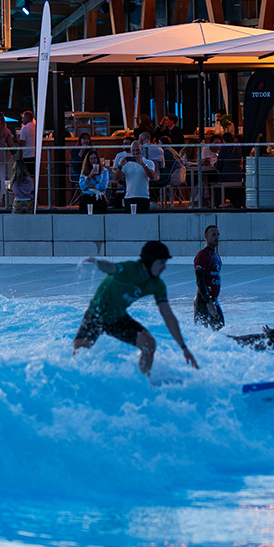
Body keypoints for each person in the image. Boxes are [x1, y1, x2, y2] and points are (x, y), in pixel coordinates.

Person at [72, 241, 199, 375]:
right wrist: (97, 262)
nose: (164, 267)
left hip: (117, 318)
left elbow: (168, 316)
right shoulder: (130, 269)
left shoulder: (157, 285)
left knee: (149, 344)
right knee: (80, 352)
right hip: (96, 314)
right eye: (161, 262)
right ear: (150, 261)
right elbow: (110, 268)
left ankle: (143, 381)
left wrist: (184, 348)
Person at [193, 224, 224, 329]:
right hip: (204, 301)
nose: (216, 237)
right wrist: (208, 301)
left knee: (220, 328)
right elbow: (200, 280)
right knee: (204, 332)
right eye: (213, 234)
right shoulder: (202, 255)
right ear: (206, 236)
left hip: (214, 300)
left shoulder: (216, 256)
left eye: (217, 235)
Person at [118, 141, 156, 213]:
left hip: (143, 197)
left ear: (141, 149)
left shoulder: (148, 162)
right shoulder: (127, 164)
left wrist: (143, 165)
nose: (136, 152)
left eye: (137, 150)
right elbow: (117, 178)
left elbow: (152, 176)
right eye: (133, 150)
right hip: (129, 197)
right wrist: (120, 166)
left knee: (143, 220)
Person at [212, 132, 244, 207]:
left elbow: (219, 165)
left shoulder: (224, 148)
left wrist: (215, 164)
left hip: (227, 173)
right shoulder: (238, 148)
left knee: (215, 182)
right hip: (238, 175)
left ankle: (217, 203)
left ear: (223, 140)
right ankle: (236, 202)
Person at [78, 149, 110, 213]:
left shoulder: (104, 171)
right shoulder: (84, 171)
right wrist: (90, 175)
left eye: (95, 158)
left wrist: (90, 186)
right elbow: (82, 187)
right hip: (87, 197)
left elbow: (103, 187)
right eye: (91, 158)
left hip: (98, 197)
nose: (93, 160)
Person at [18, 109, 36, 175]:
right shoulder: (35, 126)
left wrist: (17, 139)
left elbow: (22, 143)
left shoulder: (25, 128)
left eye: (23, 118)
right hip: (35, 153)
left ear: (28, 118)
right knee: (33, 173)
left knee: (27, 174)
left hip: (27, 154)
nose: (22, 120)